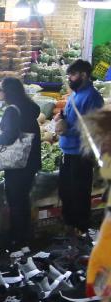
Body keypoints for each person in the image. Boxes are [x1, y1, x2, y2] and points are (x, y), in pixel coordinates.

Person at [0, 78, 43, 251]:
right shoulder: (30, 107)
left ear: (8, 92)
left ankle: (17, 241)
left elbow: (9, 137)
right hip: (31, 161)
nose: (0, 93)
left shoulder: (12, 110)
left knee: (16, 201)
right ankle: (24, 238)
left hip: (18, 163)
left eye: (1, 90)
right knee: (23, 200)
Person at [57, 59, 105, 234]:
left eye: (73, 74)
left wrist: (67, 130)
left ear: (84, 75)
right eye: (68, 74)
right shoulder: (74, 94)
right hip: (67, 152)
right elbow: (69, 116)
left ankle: (81, 229)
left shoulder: (93, 98)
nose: (69, 78)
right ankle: (69, 227)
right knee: (65, 192)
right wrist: (61, 117)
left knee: (79, 194)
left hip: (81, 154)